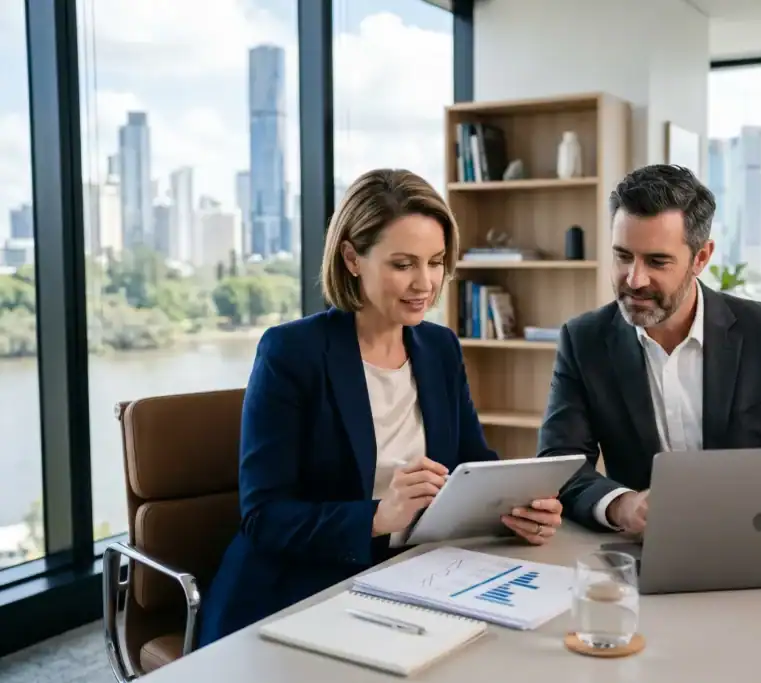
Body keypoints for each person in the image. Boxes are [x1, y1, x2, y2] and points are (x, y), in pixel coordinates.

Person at [199, 169, 563, 645]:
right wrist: (378, 516)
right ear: (352, 257)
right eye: (403, 264)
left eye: (435, 262)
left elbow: (473, 465)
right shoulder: (292, 352)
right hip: (298, 590)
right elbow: (264, 517)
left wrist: (517, 508)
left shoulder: (439, 348)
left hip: (415, 575)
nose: (425, 283)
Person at [537, 164, 761, 535]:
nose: (634, 279)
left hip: (758, 540)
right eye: (623, 256)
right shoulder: (583, 339)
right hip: (644, 552)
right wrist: (622, 505)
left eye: (657, 261)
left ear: (700, 258)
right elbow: (560, 463)